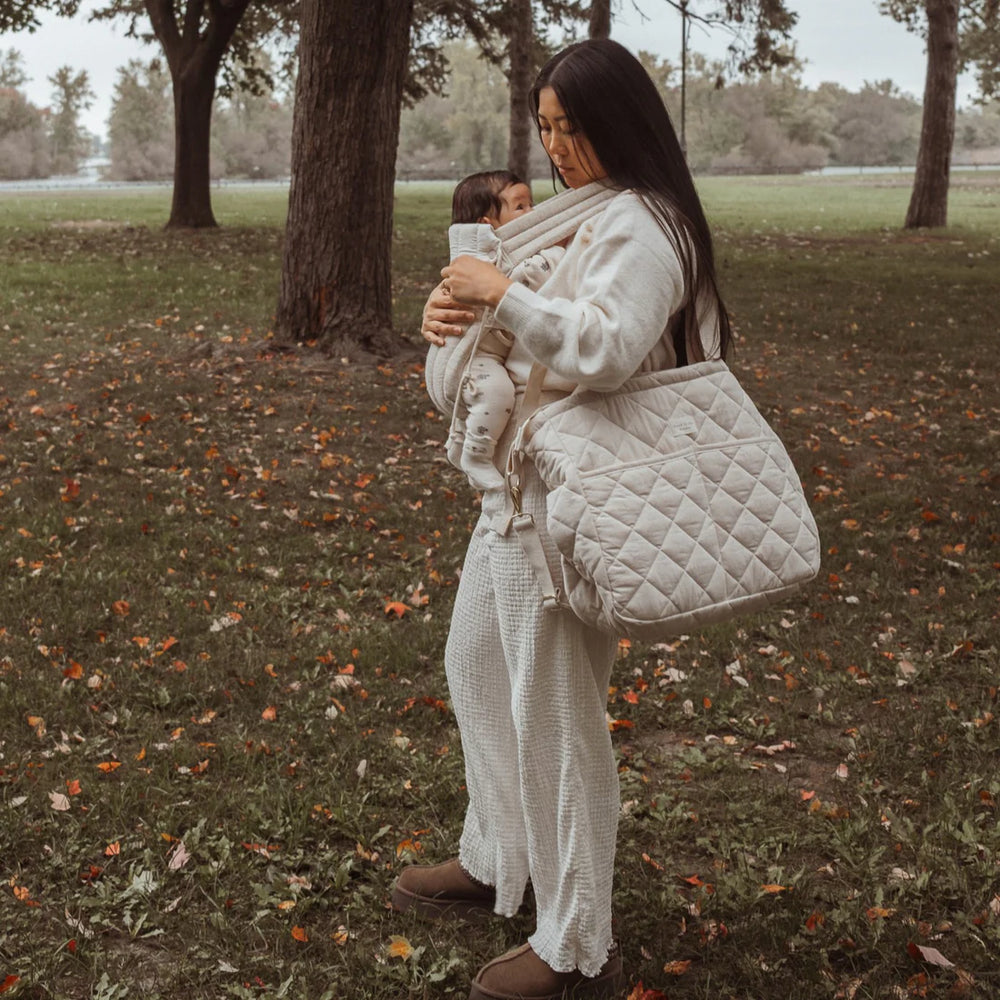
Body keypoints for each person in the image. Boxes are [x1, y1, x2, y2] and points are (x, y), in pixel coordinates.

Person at [394, 38, 732, 1000]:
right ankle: (502, 855)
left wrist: (503, 291)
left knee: (556, 713)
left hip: (576, 497)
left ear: (619, 123)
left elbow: (608, 348)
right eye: (546, 129)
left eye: (573, 128)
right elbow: (508, 339)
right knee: (473, 664)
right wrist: (449, 325)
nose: (557, 149)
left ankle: (578, 942)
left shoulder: (646, 224)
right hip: (515, 491)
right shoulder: (584, 216)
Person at [443, 170, 564, 490]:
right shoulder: (481, 256)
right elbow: (518, 282)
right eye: (520, 207)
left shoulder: (524, 248)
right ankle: (476, 454)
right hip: (480, 355)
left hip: (504, 349)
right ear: (487, 226)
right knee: (496, 392)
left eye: (531, 203)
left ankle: (461, 436)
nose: (533, 213)